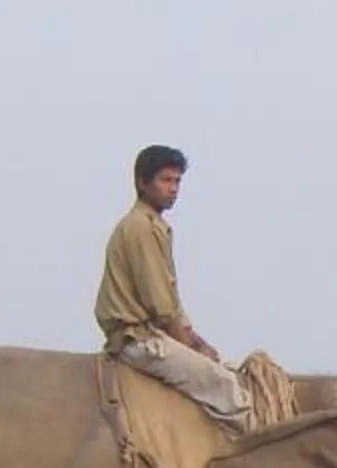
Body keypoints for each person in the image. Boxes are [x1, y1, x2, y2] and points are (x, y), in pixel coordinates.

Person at [96, 145, 250, 430]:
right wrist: (193, 347)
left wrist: (201, 345)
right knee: (227, 389)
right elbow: (162, 306)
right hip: (139, 340)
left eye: (177, 181)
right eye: (165, 180)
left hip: (152, 335)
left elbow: (171, 306)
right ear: (143, 182)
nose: (174, 189)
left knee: (225, 367)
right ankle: (248, 458)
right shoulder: (140, 228)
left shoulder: (153, 226)